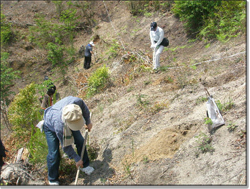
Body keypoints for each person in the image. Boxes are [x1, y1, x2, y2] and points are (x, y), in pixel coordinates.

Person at [43, 96, 94, 185]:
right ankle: (53, 179)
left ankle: (85, 165)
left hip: (65, 119)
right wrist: (76, 159)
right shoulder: (59, 125)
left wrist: (88, 122)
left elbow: (85, 109)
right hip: (50, 125)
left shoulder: (76, 103)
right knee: (54, 153)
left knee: (80, 140)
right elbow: (66, 146)